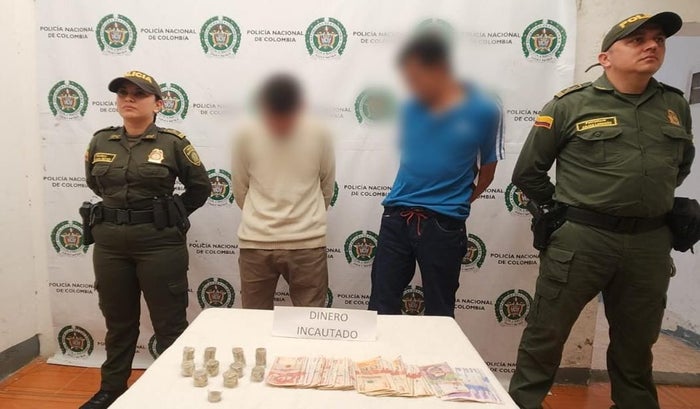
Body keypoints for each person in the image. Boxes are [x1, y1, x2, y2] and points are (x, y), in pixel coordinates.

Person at [509, 12, 694, 409]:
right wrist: (563, 210)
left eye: (658, 39)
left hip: (649, 243)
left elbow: (680, 166)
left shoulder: (675, 105)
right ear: (605, 58)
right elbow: (528, 173)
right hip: (582, 240)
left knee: (637, 342)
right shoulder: (570, 105)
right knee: (546, 334)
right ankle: (524, 402)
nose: (652, 45)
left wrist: (640, 197)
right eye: (637, 40)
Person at [81, 71, 211, 409]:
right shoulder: (100, 141)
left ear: (158, 104)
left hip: (158, 242)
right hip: (110, 244)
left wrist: (169, 213)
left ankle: (174, 392)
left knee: (169, 323)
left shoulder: (172, 142)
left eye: (138, 94)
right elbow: (95, 185)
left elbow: (200, 188)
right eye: (122, 93)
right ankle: (111, 389)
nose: (128, 98)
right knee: (118, 322)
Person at [368, 33, 504, 317]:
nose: (412, 85)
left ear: (441, 68)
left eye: (417, 77)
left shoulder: (484, 110)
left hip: (443, 225)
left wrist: (458, 200)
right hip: (396, 217)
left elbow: (488, 170)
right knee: (380, 307)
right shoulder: (409, 108)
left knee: (440, 312)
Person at [232, 74, 335, 309]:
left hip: (307, 243)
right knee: (254, 320)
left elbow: (326, 184)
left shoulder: (320, 134)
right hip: (256, 243)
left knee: (309, 321)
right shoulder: (244, 135)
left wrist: (306, 221)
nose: (281, 122)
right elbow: (240, 187)